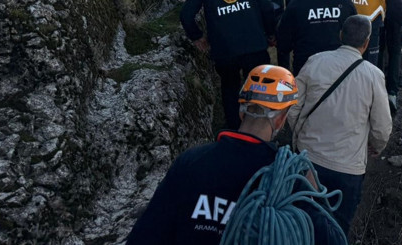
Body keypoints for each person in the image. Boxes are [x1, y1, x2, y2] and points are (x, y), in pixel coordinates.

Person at [127, 65, 344, 245]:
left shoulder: (191, 162)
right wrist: (310, 188)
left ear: (241, 110)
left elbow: (145, 235)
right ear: (281, 119)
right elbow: (332, 240)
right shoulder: (293, 178)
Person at [288, 15, 393, 238]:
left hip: (307, 160)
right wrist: (377, 147)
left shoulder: (315, 61)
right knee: (336, 229)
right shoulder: (374, 76)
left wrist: (298, 138)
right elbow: (382, 127)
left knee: (300, 221)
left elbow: (292, 107)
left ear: (341, 36)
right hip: (347, 170)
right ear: (366, 43)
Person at [180, 0, 275, 129]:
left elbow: (186, 14)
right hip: (253, 44)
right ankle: (258, 127)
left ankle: (233, 128)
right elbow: (267, 7)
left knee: (229, 88)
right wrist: (270, 33)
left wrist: (197, 37)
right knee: (259, 87)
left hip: (224, 49)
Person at [277, 0, 357, 75]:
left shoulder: (296, 4)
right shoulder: (346, 4)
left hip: (305, 69)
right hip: (339, 70)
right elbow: (355, 40)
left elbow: (283, 43)